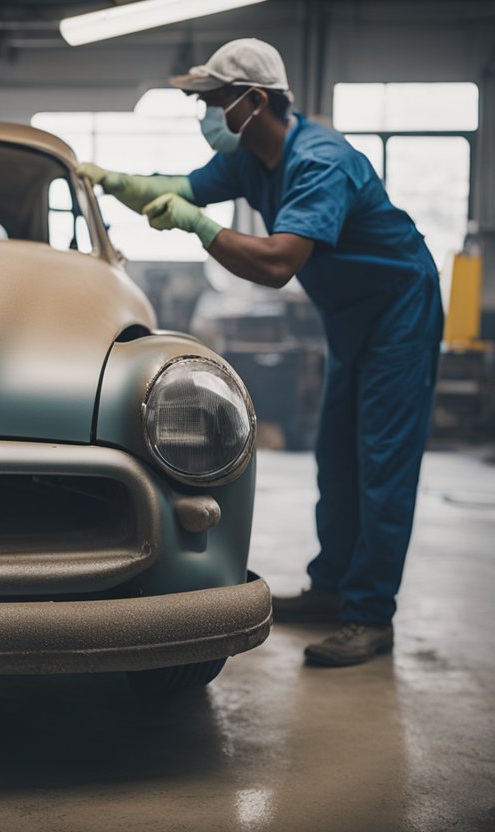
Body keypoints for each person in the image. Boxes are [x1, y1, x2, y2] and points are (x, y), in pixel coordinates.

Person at [79, 38, 442, 667]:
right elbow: (180, 186)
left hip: (399, 309)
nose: (205, 114)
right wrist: (112, 182)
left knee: (381, 462)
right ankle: (332, 588)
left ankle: (369, 614)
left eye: (212, 100)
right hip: (352, 316)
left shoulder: (319, 162)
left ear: (253, 101)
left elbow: (277, 264)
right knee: (336, 455)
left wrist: (197, 225)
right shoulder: (252, 156)